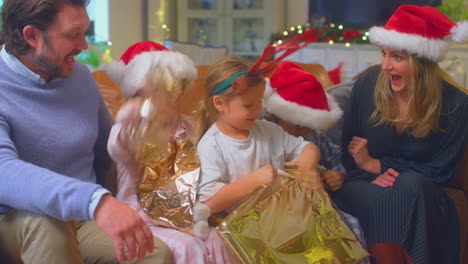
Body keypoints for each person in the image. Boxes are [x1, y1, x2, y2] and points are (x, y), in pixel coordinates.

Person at [0, 1, 171, 263]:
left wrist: (135, 131)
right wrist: (96, 201)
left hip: (80, 218)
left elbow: (108, 149)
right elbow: (4, 172)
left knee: (154, 254)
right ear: (32, 36)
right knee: (48, 225)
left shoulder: (78, 76)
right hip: (17, 220)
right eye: (72, 34)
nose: (83, 45)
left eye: (85, 32)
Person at [331, 5, 468, 264]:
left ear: (422, 60)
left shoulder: (457, 104)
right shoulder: (368, 84)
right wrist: (370, 171)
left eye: (396, 57)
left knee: (409, 187)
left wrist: (378, 164)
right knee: (383, 195)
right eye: (383, 54)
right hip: (366, 184)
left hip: (421, 193)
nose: (384, 65)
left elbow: (440, 171)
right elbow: (350, 156)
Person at [107, 40, 239, 264]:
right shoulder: (132, 129)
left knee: (220, 241)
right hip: (141, 216)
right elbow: (117, 147)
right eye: (159, 93)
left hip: (182, 214)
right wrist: (130, 117)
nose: (172, 99)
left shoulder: (188, 127)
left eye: (176, 90)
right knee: (189, 248)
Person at [262, 61, 369, 260]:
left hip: (317, 205)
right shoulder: (264, 136)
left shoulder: (315, 136)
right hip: (274, 209)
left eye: (308, 127)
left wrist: (338, 176)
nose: (303, 133)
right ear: (276, 116)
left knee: (351, 227)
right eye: (297, 125)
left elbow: (337, 161)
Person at [195, 55, 322, 218]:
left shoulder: (269, 131)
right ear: (219, 103)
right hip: (245, 228)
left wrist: (309, 162)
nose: (257, 110)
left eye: (260, 102)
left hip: (282, 215)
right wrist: (253, 181)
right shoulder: (211, 146)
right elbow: (208, 204)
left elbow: (307, 147)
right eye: (248, 105)